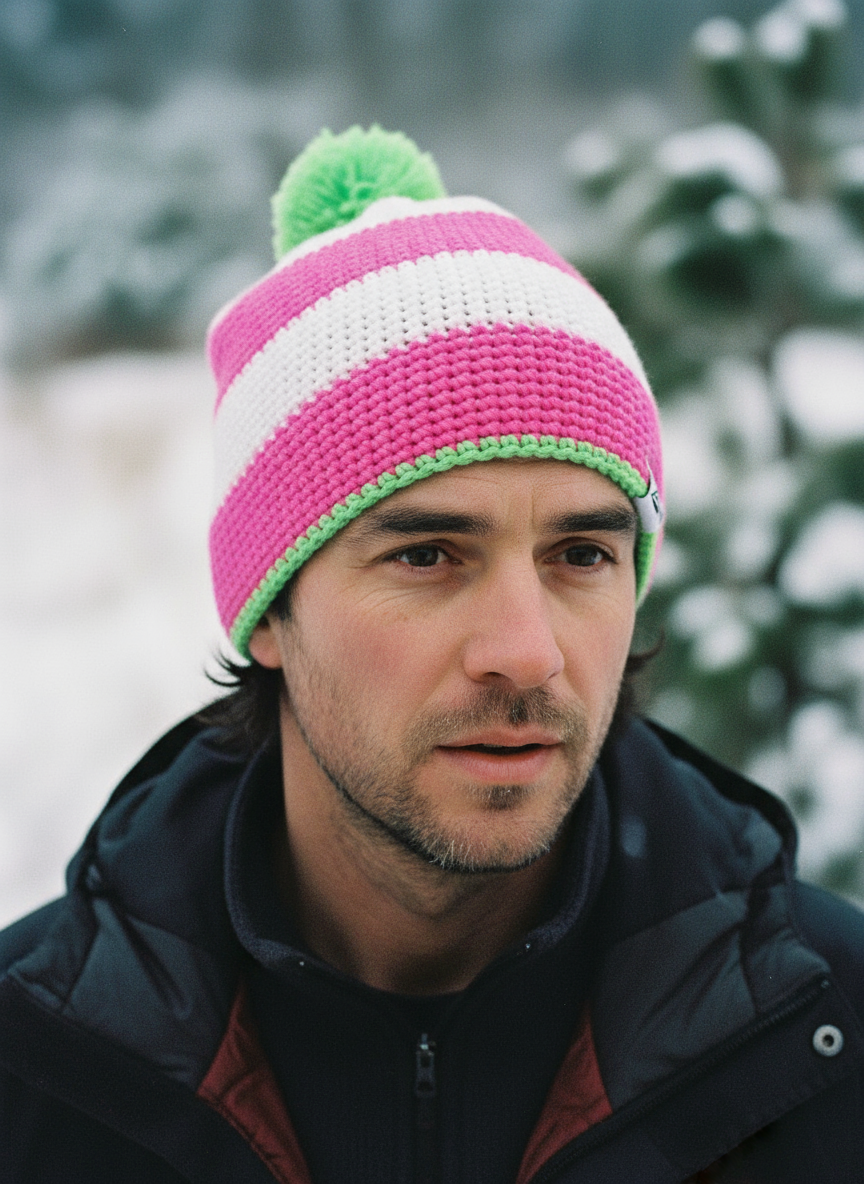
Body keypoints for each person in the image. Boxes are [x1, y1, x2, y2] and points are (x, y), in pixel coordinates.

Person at [1, 125, 862, 1184]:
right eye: (427, 553)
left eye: (583, 552)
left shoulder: (829, 1037)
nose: (527, 652)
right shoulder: (42, 1066)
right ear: (269, 611)